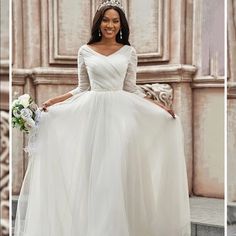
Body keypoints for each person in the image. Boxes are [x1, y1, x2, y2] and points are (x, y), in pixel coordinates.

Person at [14, 0, 190, 235]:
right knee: (96, 179)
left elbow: (131, 88)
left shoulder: (129, 51)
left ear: (121, 25)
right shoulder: (85, 50)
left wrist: (159, 107)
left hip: (123, 118)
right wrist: (54, 101)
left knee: (118, 173)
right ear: (99, 23)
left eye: (115, 21)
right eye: (106, 20)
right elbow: (81, 88)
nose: (111, 25)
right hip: (93, 118)